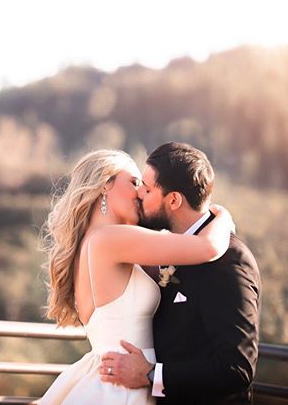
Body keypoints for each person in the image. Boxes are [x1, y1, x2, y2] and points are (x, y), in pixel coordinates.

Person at [39, 149, 235, 405]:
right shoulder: (110, 239)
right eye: (133, 182)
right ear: (104, 184)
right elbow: (207, 248)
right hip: (125, 386)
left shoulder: (94, 242)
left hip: (115, 375)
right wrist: (222, 217)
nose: (141, 192)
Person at [99, 142, 261, 404]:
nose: (139, 193)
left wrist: (152, 374)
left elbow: (237, 370)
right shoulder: (170, 248)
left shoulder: (229, 262)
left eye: (148, 189)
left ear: (173, 200)